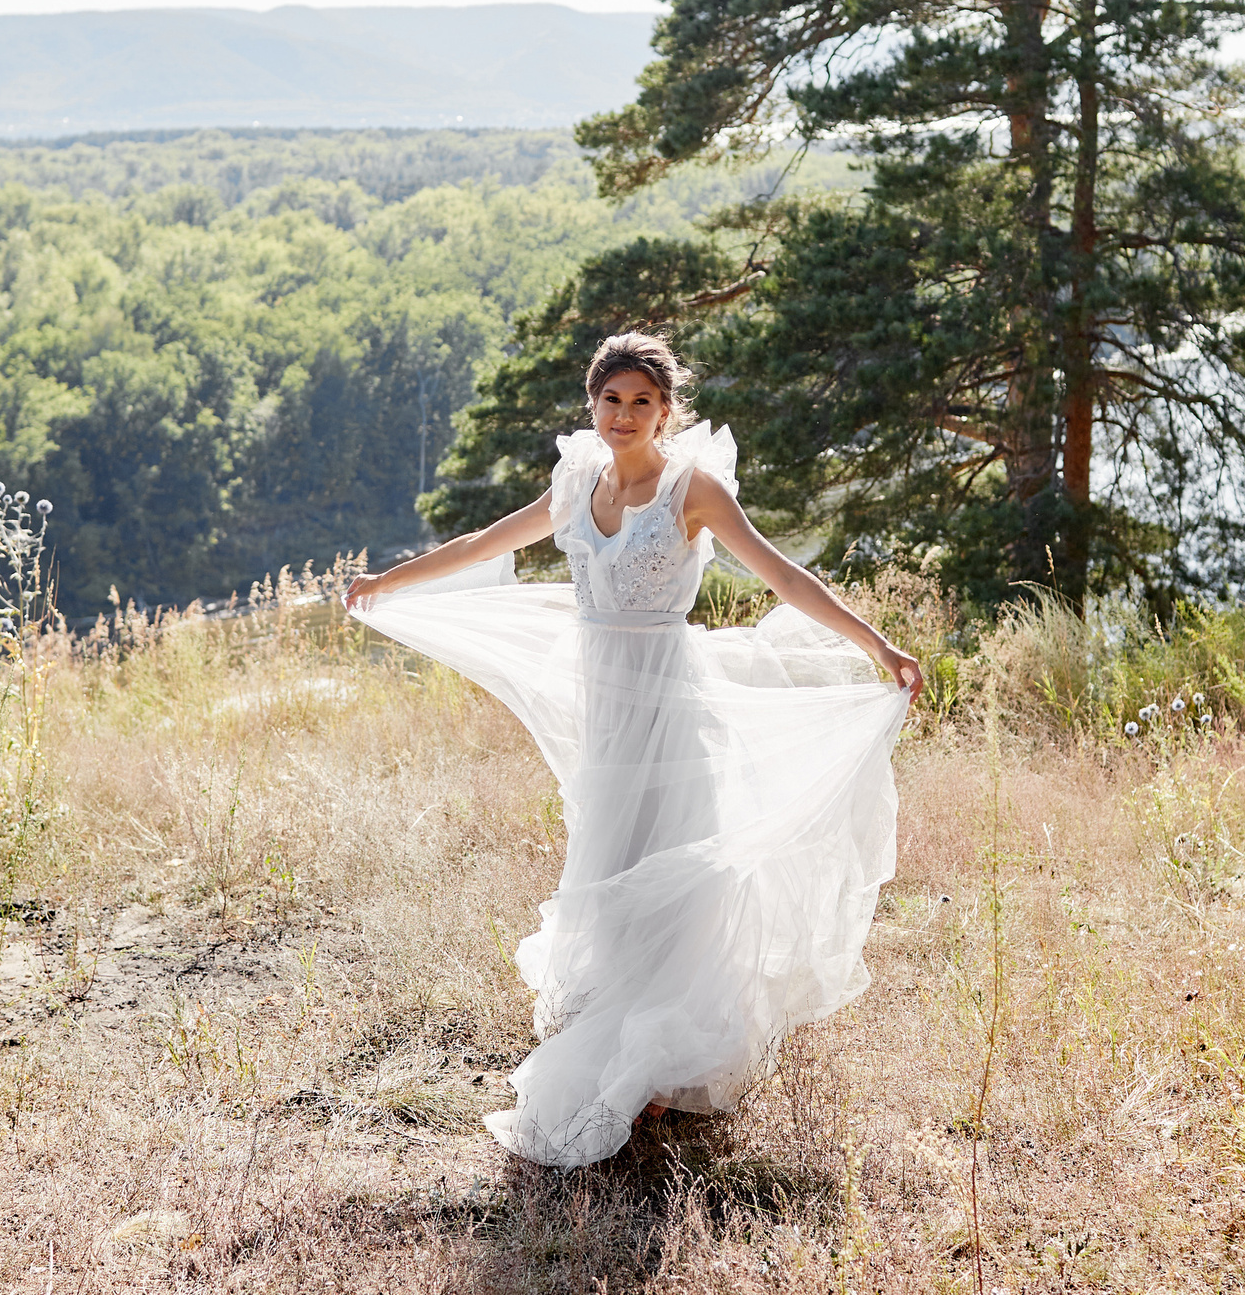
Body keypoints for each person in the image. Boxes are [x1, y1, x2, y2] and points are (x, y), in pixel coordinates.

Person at [344, 332, 920, 1168]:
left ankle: (662, 1069)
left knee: (676, 868)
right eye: (610, 400)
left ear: (665, 411)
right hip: (605, 714)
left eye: (640, 402)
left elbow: (784, 576)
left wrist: (878, 646)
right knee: (608, 864)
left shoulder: (693, 490)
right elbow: (484, 545)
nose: (623, 415)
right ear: (593, 405)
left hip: (672, 706)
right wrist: (387, 582)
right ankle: (624, 1036)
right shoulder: (575, 484)